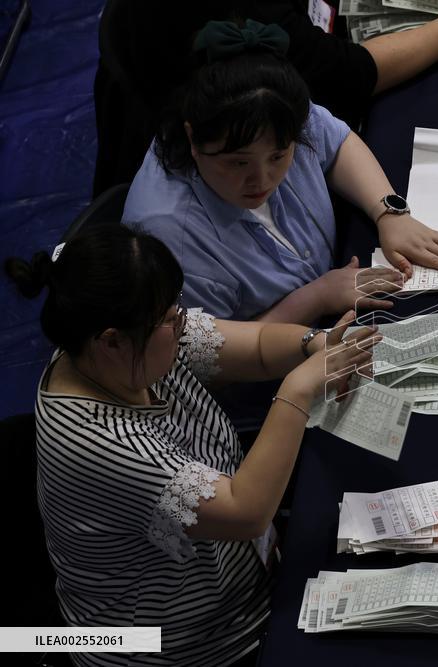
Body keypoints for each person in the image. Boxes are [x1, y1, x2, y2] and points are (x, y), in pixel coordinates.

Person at [5, 225, 379, 666]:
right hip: (182, 647)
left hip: (245, 580)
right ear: (111, 339)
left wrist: (317, 345)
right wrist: (297, 390)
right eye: (169, 318)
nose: (182, 322)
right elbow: (246, 512)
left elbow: (257, 346)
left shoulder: (121, 348)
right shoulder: (97, 442)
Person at [122, 20, 438, 323]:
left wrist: (389, 213)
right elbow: (213, 361)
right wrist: (315, 298)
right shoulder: (171, 240)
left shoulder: (274, 109)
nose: (262, 180)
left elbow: (336, 141)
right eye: (238, 163)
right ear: (192, 139)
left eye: (279, 155)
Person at [93, 0, 438, 195]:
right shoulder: (246, 173)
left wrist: (387, 211)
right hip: (202, 127)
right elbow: (350, 75)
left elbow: (334, 136)